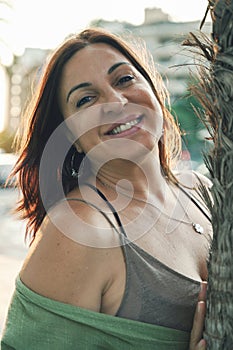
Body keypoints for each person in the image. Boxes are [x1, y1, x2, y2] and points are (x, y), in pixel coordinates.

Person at [1, 27, 212, 349]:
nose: (115, 101)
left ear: (153, 89)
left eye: (124, 79)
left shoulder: (203, 190)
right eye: (86, 99)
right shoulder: (79, 230)